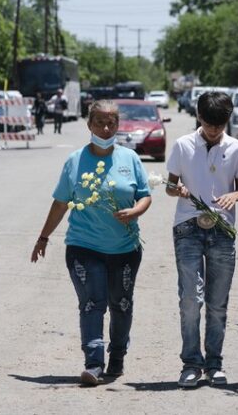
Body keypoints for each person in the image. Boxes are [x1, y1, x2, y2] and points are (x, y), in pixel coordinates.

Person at [30, 100, 152, 386]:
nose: (106, 128)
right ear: (89, 124)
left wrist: (135, 211)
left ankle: (117, 357)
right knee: (92, 303)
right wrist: (44, 236)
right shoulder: (75, 161)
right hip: (83, 248)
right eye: (99, 122)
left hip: (125, 249)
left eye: (111, 122)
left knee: (121, 304)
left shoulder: (130, 159)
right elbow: (61, 203)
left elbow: (145, 195)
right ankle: (94, 363)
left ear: (118, 125)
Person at [166, 92, 238, 388]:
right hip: (187, 227)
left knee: (217, 303)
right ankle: (191, 363)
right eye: (209, 122)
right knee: (190, 299)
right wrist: (179, 192)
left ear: (227, 120)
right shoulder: (183, 145)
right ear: (199, 117)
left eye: (220, 123)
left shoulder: (237, 148)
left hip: (222, 230)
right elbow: (169, 186)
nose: (214, 129)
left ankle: (214, 363)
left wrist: (233, 195)